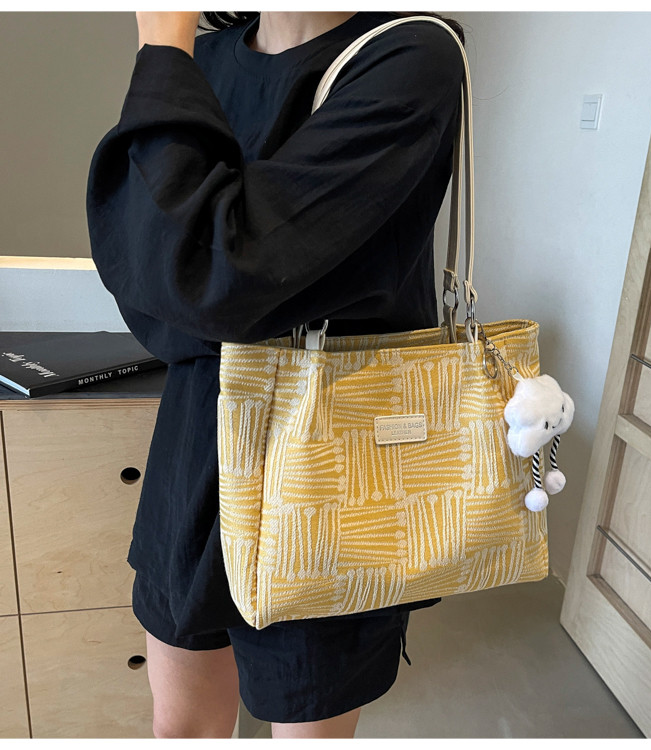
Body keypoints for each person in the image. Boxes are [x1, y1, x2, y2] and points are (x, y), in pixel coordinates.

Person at [86, 10, 464, 739]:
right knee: (181, 728)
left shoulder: (410, 54)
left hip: (329, 456)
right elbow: (149, 267)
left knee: (305, 726)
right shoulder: (204, 58)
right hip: (198, 443)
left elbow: (213, 273)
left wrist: (161, 50)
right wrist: (173, 57)